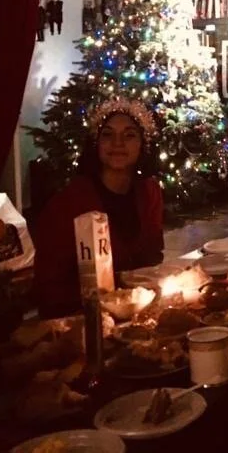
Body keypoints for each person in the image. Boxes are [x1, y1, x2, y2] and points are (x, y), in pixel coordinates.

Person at [33, 98, 164, 317]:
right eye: (108, 135)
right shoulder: (69, 202)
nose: (118, 143)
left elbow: (152, 257)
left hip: (138, 312)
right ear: (96, 144)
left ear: (143, 144)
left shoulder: (150, 192)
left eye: (129, 135)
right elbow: (48, 286)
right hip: (81, 317)